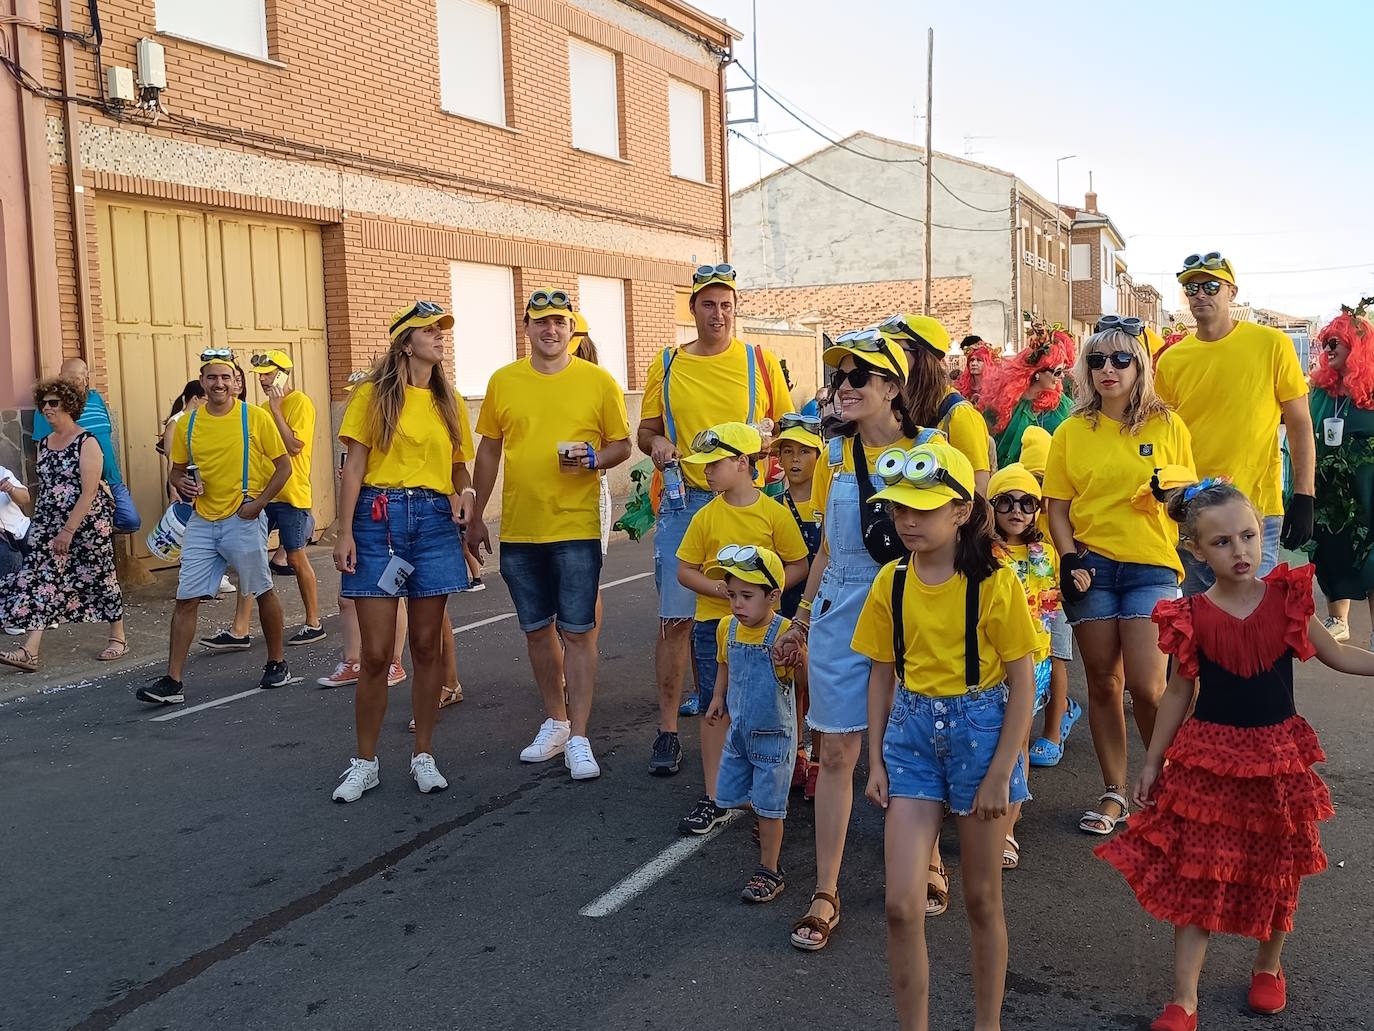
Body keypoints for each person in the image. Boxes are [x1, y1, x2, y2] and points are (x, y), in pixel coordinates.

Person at [1097, 481, 1373, 1031]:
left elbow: (1337, 653)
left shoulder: (1287, 597)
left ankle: (1269, 967)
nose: (1240, 551)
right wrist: (1152, 762)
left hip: (1277, 756)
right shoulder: (1190, 614)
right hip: (1211, 759)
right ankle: (1184, 999)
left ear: (1261, 534)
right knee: (1198, 872)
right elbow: (1178, 692)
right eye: (1222, 542)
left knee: (1278, 866)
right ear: (1196, 550)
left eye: (1248, 536)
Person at [856, 438, 1037, 1031]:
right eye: (899, 508)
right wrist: (876, 758)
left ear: (961, 511)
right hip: (910, 738)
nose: (907, 519)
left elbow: (1022, 682)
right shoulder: (891, 583)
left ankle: (988, 1025)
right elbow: (882, 671)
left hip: (981, 737)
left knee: (983, 901)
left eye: (923, 507)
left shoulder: (995, 584)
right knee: (900, 905)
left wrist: (1001, 772)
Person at [772, 330, 926, 949]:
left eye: (860, 376)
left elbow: (958, 533)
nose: (846, 387)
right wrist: (803, 616)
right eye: (840, 378)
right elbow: (832, 547)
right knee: (836, 751)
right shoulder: (834, 455)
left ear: (893, 387)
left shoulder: (933, 449)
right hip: (842, 605)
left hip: (915, 602)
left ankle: (928, 862)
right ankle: (826, 888)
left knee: (914, 744)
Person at [469, 289, 631, 781]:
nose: (551, 330)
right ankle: (555, 723)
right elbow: (490, 451)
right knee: (537, 631)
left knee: (578, 633)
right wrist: (476, 513)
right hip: (521, 528)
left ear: (571, 328)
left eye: (559, 322)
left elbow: (622, 444)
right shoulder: (504, 382)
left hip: (576, 526)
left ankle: (580, 736)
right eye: (541, 322)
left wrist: (595, 459)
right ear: (527, 328)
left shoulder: (598, 381)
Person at [637, 263, 791, 776]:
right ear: (694, 309)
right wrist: (656, 443)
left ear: (734, 308)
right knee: (678, 619)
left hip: (747, 501)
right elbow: (647, 430)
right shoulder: (669, 362)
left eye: (726, 304)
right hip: (686, 501)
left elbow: (786, 427)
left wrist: (767, 438)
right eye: (708, 304)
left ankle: (739, 721)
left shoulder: (759, 361)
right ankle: (667, 730)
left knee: (747, 612)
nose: (718, 313)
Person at [1043, 323, 1195, 836]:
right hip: (1091, 566)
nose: (1107, 370)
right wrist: (1067, 558)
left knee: (1149, 687)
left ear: (1139, 367)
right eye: (1096, 361)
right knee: (1104, 683)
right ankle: (1114, 791)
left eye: (1120, 361)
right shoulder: (1071, 429)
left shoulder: (1167, 425)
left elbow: (1186, 503)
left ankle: (1161, 786)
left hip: (1151, 564)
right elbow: (1056, 507)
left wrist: (1169, 496)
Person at [331, 301, 475, 802]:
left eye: (442, 331)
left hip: (434, 521)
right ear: (405, 342)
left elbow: (459, 467)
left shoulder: (448, 400)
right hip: (377, 519)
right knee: (374, 653)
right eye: (429, 331)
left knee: (426, 645)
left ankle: (424, 754)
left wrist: (468, 495)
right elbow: (353, 468)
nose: (440, 337)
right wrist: (342, 531)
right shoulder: (372, 396)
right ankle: (364, 762)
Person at [136, 351, 292, 704]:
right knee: (186, 598)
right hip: (203, 521)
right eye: (212, 378)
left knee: (261, 589)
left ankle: (277, 661)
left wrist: (259, 503)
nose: (219, 383)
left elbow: (284, 467)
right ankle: (172, 682)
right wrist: (182, 483)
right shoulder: (190, 423)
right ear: (202, 382)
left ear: (237, 383)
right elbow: (177, 469)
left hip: (243, 518)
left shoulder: (254, 418)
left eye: (226, 377)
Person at [675, 421, 809, 832]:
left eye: (714, 464)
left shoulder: (773, 513)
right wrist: (725, 590)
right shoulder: (706, 516)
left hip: (767, 631)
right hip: (715, 627)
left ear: (741, 462)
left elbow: (799, 563)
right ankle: (716, 794)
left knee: (768, 706)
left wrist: (762, 593)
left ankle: (769, 779)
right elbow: (685, 570)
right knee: (715, 705)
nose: (706, 473)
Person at [1155, 252, 1315, 593]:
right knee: (1204, 619)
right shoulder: (1171, 361)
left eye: (1211, 286)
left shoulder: (1272, 344)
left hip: (1255, 507)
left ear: (1232, 292)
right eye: (1192, 287)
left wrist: (1305, 494)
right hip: (1193, 509)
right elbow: (1162, 435)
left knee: (1256, 614)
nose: (1200, 294)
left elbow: (1300, 423)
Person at [0, 378, 125, 670]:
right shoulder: (44, 444)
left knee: (99, 578)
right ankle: (30, 650)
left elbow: (89, 491)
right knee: (42, 580)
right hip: (48, 522)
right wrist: (44, 523)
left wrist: (68, 531)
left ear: (69, 405)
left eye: (53, 403)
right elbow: (45, 487)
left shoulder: (87, 441)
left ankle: (117, 637)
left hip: (86, 525)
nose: (47, 408)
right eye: (43, 404)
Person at [703, 545, 798, 903]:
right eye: (732, 595)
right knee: (727, 795)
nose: (737, 605)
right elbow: (724, 665)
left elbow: (800, 682)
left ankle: (769, 870)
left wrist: (799, 659)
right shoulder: (727, 628)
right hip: (739, 733)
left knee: (770, 808)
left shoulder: (784, 631)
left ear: (773, 596)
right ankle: (766, 817)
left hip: (774, 736)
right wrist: (716, 698)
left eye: (747, 596)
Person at [987, 461, 1061, 868]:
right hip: (988, 667)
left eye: (1027, 502)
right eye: (1007, 502)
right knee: (987, 743)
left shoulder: (1046, 553)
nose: (1017, 510)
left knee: (1017, 746)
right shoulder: (982, 553)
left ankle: (1009, 830)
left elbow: (1055, 600)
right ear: (991, 506)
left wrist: (1077, 584)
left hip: (1034, 664)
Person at [1305, 306, 1374, 646]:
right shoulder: (1321, 392)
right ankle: (1338, 620)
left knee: (1371, 552)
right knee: (1330, 549)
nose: (1328, 349)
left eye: (1337, 342)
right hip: (1329, 487)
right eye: (1326, 342)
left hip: (1369, 487)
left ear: (1358, 348)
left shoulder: (1372, 393)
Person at [1016, 424, 1082, 764]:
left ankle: (1054, 729)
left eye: (1044, 480)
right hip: (1019, 610)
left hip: (1055, 605)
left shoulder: (1062, 516)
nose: (1038, 492)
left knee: (1057, 661)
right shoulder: (1015, 520)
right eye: (1031, 481)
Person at [249, 350, 324, 645]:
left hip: (292, 493)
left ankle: (314, 622)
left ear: (283, 373)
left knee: (294, 556)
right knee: (251, 556)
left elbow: (294, 446)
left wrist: (277, 410)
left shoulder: (299, 403)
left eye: (268, 375)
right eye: (260, 376)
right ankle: (240, 628)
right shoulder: (260, 409)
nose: (264, 381)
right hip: (264, 493)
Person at [771, 412, 824, 795]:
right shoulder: (773, 504)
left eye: (803, 451)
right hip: (786, 603)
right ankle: (797, 751)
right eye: (786, 450)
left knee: (819, 684)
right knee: (789, 687)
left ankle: (820, 756)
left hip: (823, 605)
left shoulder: (830, 500)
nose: (794, 459)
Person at [882, 313, 993, 496]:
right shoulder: (894, 405)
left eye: (896, 350)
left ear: (923, 357)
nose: (887, 358)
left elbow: (977, 491)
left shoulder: (959, 414)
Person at [981, 318, 1075, 467]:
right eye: (1057, 372)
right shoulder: (1005, 401)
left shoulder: (1061, 406)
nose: (1062, 376)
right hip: (1006, 478)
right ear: (1037, 373)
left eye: (1062, 371)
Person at [30, 357, 126, 496]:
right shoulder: (50, 407)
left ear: (86, 380)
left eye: (75, 379)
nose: (70, 384)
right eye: (66, 379)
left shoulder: (96, 399)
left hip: (111, 480)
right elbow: (43, 450)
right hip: (77, 486)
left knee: (130, 518)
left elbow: (106, 437)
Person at [0, 463, 32, 579]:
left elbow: (25, 498)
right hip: (3, 543)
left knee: (44, 574)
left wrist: (10, 488)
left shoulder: (1, 471)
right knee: (10, 586)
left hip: (23, 528)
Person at [955, 336, 999, 408]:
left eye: (979, 360)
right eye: (971, 360)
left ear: (987, 363)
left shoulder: (995, 387)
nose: (974, 363)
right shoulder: (961, 386)